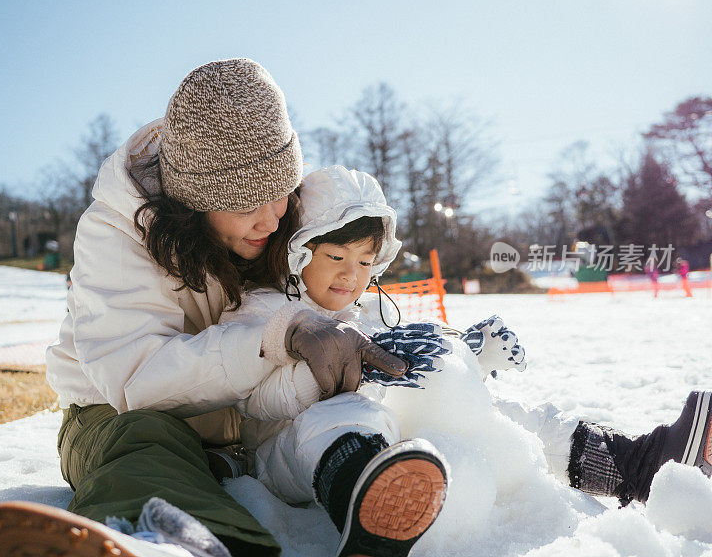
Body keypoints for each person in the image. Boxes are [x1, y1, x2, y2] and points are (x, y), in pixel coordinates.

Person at [0, 60, 408, 557]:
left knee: (341, 423)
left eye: (279, 194)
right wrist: (279, 335)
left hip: (251, 422)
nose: (270, 218)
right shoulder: (115, 231)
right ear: (193, 203)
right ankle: (164, 542)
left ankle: (371, 488)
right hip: (117, 415)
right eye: (244, 205)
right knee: (146, 443)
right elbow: (134, 379)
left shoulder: (284, 219)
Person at [219, 165, 712, 556]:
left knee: (504, 415)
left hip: (392, 428)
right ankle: (368, 507)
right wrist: (340, 372)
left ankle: (638, 462)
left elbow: (415, 367)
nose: (353, 276)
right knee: (342, 416)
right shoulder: (267, 309)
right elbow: (256, 397)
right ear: (301, 254)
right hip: (293, 449)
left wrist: (466, 356)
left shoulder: (364, 311)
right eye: (337, 258)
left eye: (366, 262)